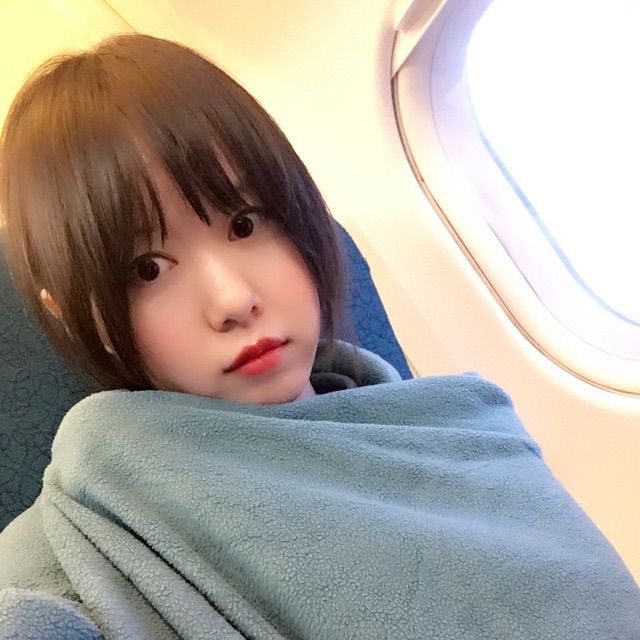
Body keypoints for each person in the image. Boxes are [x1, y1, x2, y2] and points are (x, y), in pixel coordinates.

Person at [0, 34, 638, 640]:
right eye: (147, 269)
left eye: (245, 223)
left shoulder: (454, 423)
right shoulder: (73, 557)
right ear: (75, 317)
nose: (232, 300)